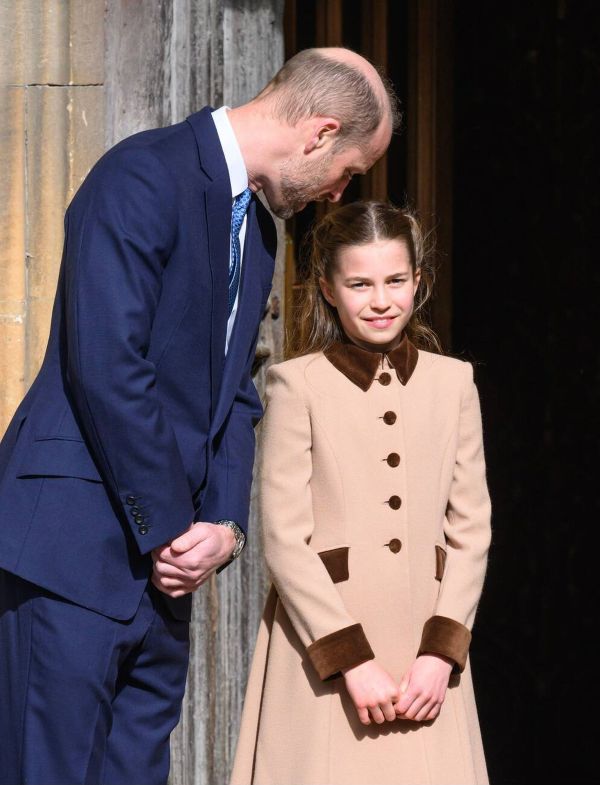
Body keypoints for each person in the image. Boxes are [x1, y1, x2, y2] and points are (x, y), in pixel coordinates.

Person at [0, 49, 396, 785]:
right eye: (347, 170)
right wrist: (175, 525)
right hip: (72, 554)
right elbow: (108, 363)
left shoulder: (261, 232)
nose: (339, 191)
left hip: (164, 578)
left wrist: (224, 524)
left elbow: (236, 395)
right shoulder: (142, 174)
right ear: (319, 132)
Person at [230, 201, 492, 785]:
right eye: (360, 283)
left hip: (427, 655)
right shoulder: (296, 384)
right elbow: (283, 538)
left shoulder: (454, 384)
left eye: (396, 281)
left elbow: (472, 528)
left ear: (418, 282)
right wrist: (349, 660)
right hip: (325, 655)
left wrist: (442, 651)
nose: (380, 299)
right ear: (327, 288)